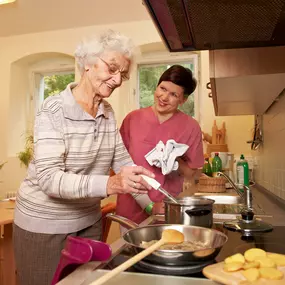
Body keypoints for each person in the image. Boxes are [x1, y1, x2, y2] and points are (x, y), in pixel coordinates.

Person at [13, 30, 154, 285]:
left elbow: (123, 163)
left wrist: (152, 206)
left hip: (89, 221)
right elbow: (49, 179)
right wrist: (109, 185)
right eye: (112, 68)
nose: (117, 79)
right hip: (44, 225)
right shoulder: (53, 110)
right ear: (87, 62)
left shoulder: (107, 112)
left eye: (123, 74)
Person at [116, 65, 204, 225]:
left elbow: (192, 173)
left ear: (183, 100)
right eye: (162, 88)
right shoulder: (133, 119)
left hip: (167, 209)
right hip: (130, 209)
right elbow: (118, 163)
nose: (164, 97)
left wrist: (175, 163)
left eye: (173, 94)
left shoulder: (191, 127)